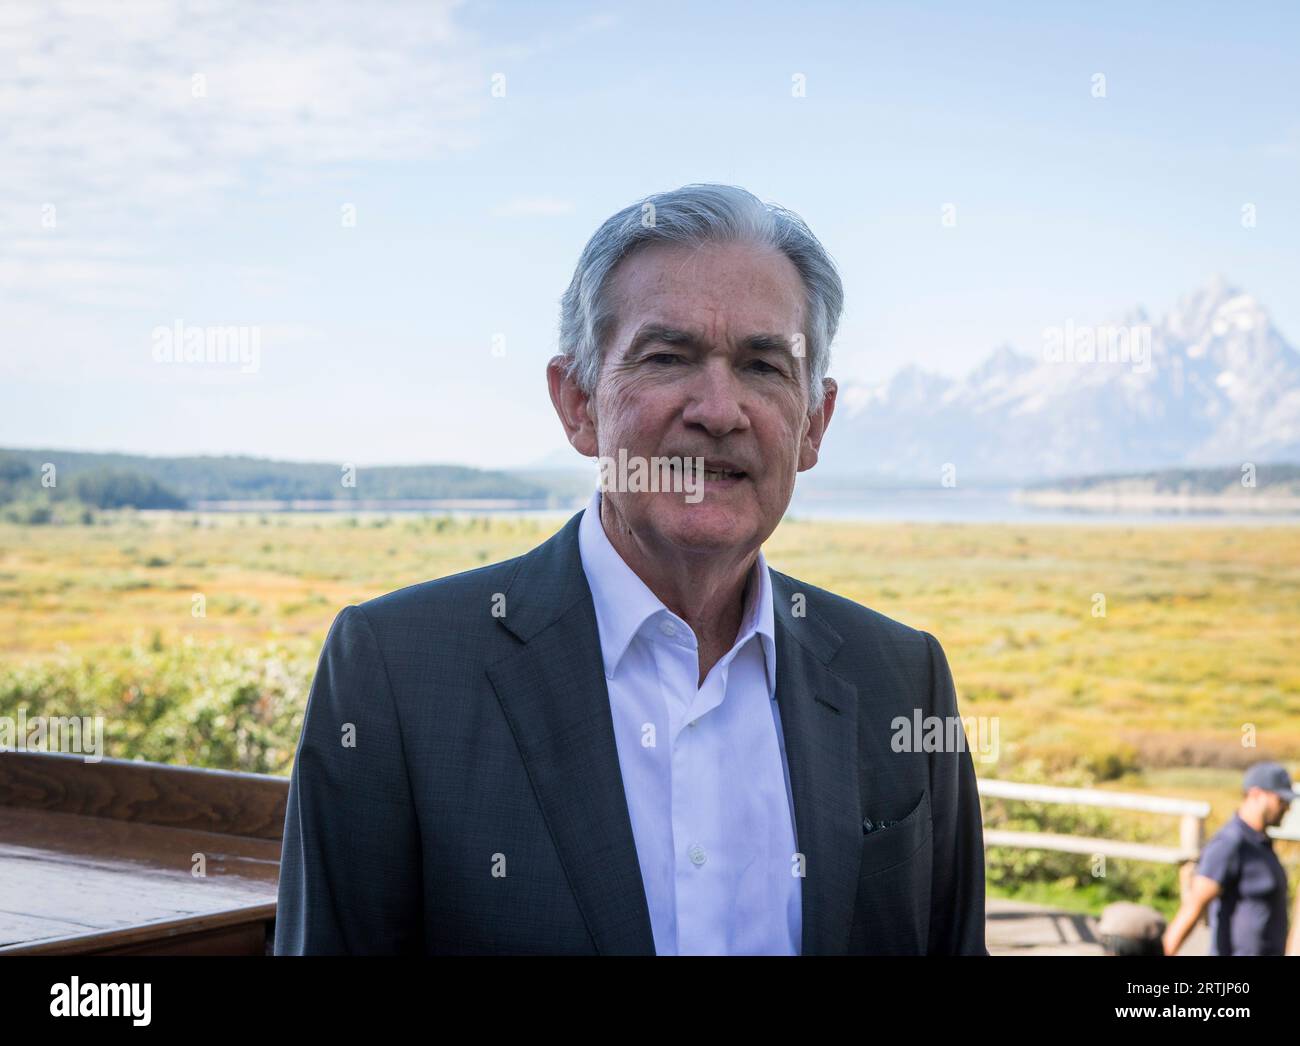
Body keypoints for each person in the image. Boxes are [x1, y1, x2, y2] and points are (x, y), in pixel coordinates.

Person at [274, 184, 988, 955]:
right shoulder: (396, 673)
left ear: (814, 423)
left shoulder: (902, 677)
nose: (720, 410)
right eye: (668, 357)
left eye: (763, 366)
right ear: (578, 403)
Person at [1162, 761, 1294, 956]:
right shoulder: (1230, 843)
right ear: (1256, 794)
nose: (1287, 808)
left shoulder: (1261, 843)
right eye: (1281, 800)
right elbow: (1193, 906)